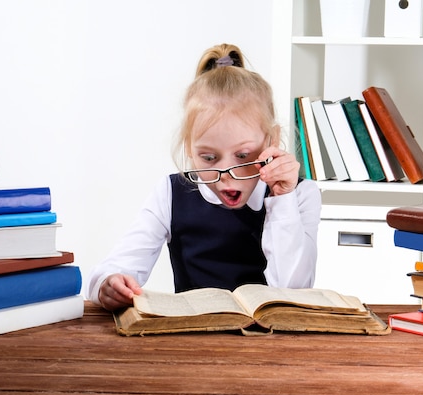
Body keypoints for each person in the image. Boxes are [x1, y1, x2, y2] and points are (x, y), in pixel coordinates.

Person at [87, 43, 321, 311]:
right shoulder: (171, 192)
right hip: (195, 342)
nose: (225, 176)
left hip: (273, 344)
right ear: (189, 148)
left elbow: (293, 291)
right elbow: (114, 269)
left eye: (243, 155)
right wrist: (108, 284)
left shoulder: (301, 194)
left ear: (272, 140)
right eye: (209, 158)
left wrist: (283, 199)